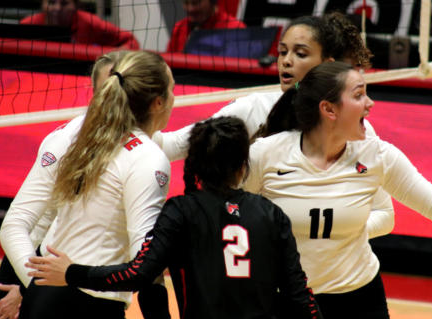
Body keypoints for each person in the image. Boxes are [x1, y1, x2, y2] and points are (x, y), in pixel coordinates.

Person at [242, 61, 432, 319]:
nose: (370, 103)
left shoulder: (375, 154)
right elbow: (230, 213)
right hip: (284, 299)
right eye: (358, 95)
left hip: (356, 294)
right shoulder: (266, 154)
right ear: (329, 109)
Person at [26, 116, 326, 319]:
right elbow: (299, 295)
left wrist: (72, 273)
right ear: (243, 166)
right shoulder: (271, 214)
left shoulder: (183, 211)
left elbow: (138, 274)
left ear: (195, 164)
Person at [157, 12, 393, 240]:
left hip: (335, 272)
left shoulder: (356, 128)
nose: (286, 61)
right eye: (282, 52)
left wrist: (336, 234)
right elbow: (173, 145)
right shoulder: (253, 108)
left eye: (300, 54)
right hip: (261, 263)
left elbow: (384, 214)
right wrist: (128, 130)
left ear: (326, 65)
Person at [0, 50, 174, 319]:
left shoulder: (82, 139)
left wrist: (36, 286)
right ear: (158, 102)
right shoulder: (148, 158)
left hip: (46, 298)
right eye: (173, 89)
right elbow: (145, 267)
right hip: (89, 306)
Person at [20, 0, 140, 49]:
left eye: (64, 3)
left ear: (75, 6)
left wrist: (111, 58)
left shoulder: (89, 23)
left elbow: (130, 41)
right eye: (51, 2)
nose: (57, 8)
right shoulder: (29, 25)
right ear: (43, 4)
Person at [167, 0, 246, 52]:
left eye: (196, 3)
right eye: (186, 3)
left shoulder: (235, 29)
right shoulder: (180, 27)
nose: (190, 9)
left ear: (212, 1)